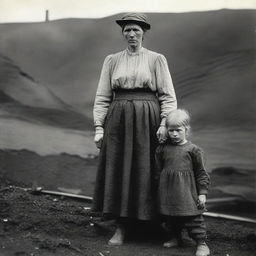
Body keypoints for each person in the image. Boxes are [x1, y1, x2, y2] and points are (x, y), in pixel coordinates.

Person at [92, 12, 177, 245]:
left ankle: (157, 226)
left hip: (148, 120)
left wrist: (163, 124)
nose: (131, 34)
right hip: (118, 120)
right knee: (118, 170)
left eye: (136, 30)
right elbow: (102, 96)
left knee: (149, 169)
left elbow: (168, 96)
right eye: (127, 30)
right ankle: (121, 227)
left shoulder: (156, 59)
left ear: (144, 33)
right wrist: (99, 126)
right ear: (122, 33)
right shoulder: (111, 60)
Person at [155, 109, 210, 256]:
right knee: (170, 218)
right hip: (167, 193)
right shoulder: (162, 149)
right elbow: (158, 171)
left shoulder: (194, 150)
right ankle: (176, 238)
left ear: (186, 129)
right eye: (171, 130)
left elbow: (201, 173)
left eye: (178, 130)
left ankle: (201, 243)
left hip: (187, 193)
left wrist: (202, 194)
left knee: (194, 220)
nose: (174, 134)